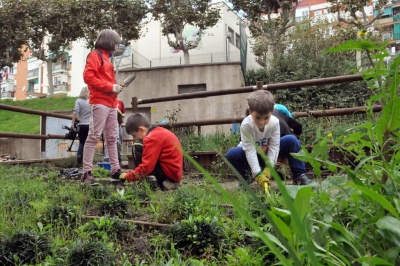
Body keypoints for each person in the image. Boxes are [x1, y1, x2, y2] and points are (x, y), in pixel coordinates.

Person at [81, 29, 124, 186]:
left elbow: (103, 80)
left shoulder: (107, 58)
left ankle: (116, 170)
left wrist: (114, 88)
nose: (117, 45)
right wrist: (110, 87)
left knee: (113, 137)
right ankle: (86, 173)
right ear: (109, 41)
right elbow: (88, 77)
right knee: (94, 136)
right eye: (116, 42)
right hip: (99, 101)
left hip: (112, 103)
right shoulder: (95, 55)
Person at [118, 113, 183, 190]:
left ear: (141, 129)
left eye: (135, 135)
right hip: (174, 174)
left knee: (137, 146)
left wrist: (128, 176)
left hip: (168, 176)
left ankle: (151, 181)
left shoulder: (151, 139)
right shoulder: (159, 131)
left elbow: (146, 167)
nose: (135, 138)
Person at [71, 86, 90, 165]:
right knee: (89, 143)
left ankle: (79, 157)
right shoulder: (91, 101)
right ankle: (87, 160)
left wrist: (72, 124)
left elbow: (75, 112)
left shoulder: (78, 101)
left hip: (81, 125)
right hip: (90, 125)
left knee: (81, 142)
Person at [104, 99, 126, 165]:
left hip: (118, 124)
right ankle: (107, 159)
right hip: (108, 124)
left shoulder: (120, 102)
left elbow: (123, 112)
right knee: (108, 141)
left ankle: (119, 158)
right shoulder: (106, 101)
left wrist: (122, 114)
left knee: (118, 142)